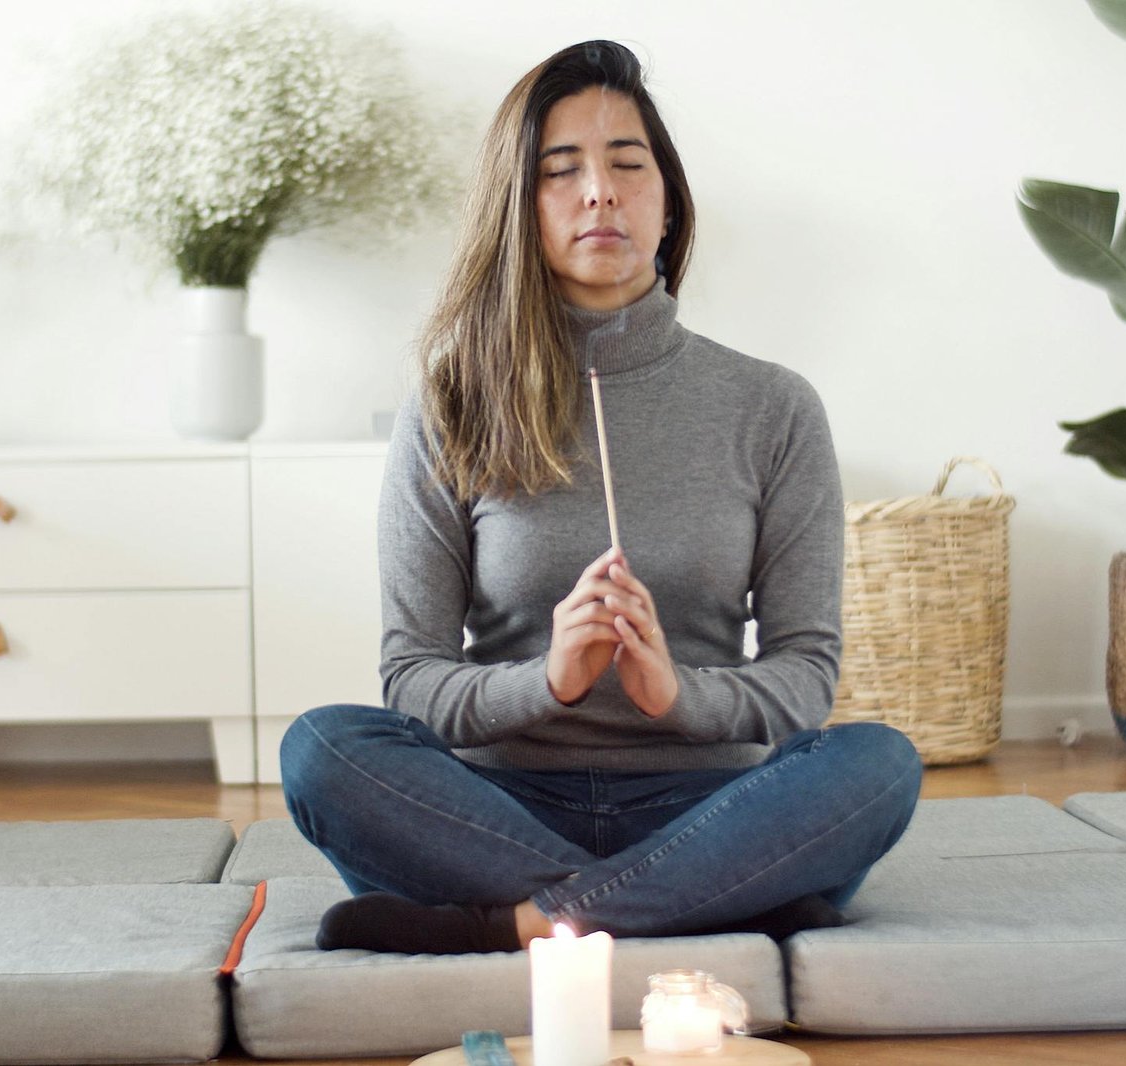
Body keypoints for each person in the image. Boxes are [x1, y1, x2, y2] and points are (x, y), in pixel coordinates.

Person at [280, 39, 921, 955]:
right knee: (323, 749)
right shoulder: (451, 404)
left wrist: (679, 696)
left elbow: (805, 676)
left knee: (878, 765)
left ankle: (523, 922)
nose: (600, 192)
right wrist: (547, 683)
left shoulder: (773, 407)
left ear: (668, 200)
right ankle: (718, 900)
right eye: (561, 170)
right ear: (521, 207)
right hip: (495, 804)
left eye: (628, 163)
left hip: (712, 798)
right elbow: (412, 681)